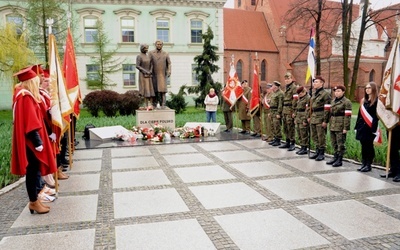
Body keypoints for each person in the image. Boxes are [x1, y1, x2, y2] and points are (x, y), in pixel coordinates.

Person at [11, 67, 57, 214]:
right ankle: (33, 202)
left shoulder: (22, 95)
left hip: (29, 140)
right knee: (32, 172)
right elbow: (30, 121)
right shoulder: (25, 96)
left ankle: (35, 200)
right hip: (31, 142)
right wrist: (37, 142)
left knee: (34, 171)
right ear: (31, 82)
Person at [355, 82, 379, 172]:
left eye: (369, 88)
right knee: (363, 145)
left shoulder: (377, 101)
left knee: (369, 146)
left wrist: (374, 127)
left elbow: (377, 116)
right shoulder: (363, 100)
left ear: (373, 89)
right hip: (362, 127)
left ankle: (368, 164)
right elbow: (359, 114)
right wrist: (357, 126)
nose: (367, 89)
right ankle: (363, 163)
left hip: (370, 127)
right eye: (366, 88)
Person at [326, 85, 352, 167]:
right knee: (334, 142)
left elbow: (347, 116)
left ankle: (339, 159)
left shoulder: (346, 102)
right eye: (335, 91)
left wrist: (345, 128)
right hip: (333, 124)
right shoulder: (333, 101)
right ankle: (335, 157)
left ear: (343, 92)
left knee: (340, 143)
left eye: (338, 91)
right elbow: (330, 113)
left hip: (340, 124)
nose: (336, 93)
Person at [308, 76, 331, 161]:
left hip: (321, 117)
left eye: (317, 82)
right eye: (314, 82)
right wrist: (309, 116)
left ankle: (321, 153)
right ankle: (317, 151)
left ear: (322, 83)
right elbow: (311, 106)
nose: (314, 83)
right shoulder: (314, 94)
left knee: (321, 136)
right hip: (314, 116)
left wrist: (325, 121)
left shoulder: (325, 94)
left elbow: (327, 108)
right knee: (314, 135)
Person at [150, 40, 171, 108]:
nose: (159, 45)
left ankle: (163, 104)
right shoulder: (151, 53)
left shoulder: (165, 53)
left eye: (160, 44)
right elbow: (148, 63)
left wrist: (169, 70)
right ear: (155, 45)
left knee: (163, 90)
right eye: (157, 44)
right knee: (154, 90)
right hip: (154, 74)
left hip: (162, 74)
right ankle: (154, 104)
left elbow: (169, 63)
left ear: (162, 45)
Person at [279, 72, 298, 151]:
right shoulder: (286, 88)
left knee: (291, 127)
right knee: (286, 127)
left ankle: (292, 143)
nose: (286, 80)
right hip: (285, 110)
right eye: (285, 79)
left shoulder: (294, 88)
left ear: (291, 79)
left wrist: (294, 111)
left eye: (288, 79)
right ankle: (287, 142)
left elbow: (295, 100)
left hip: (290, 109)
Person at [136, 44, 155, 110]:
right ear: (142, 49)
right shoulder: (139, 56)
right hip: (143, 75)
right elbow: (137, 66)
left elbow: (151, 64)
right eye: (145, 48)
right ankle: (146, 104)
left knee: (150, 89)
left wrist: (150, 70)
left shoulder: (148, 56)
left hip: (149, 75)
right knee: (145, 89)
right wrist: (145, 71)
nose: (146, 49)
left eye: (147, 48)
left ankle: (151, 104)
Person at [294, 86, 310, 155]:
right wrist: (295, 119)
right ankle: (301, 147)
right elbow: (297, 108)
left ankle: (305, 147)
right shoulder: (300, 99)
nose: (299, 94)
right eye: (298, 93)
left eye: (301, 93)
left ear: (304, 92)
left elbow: (307, 110)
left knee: (304, 133)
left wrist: (305, 120)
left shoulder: (307, 98)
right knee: (299, 133)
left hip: (303, 116)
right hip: (298, 117)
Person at [268, 81, 284, 146]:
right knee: (273, 126)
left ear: (276, 86)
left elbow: (280, 104)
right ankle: (275, 139)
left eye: (273, 86)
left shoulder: (280, 93)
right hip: (272, 111)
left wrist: (278, 113)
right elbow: (272, 103)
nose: (271, 87)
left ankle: (278, 140)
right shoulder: (273, 93)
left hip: (276, 111)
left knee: (277, 126)